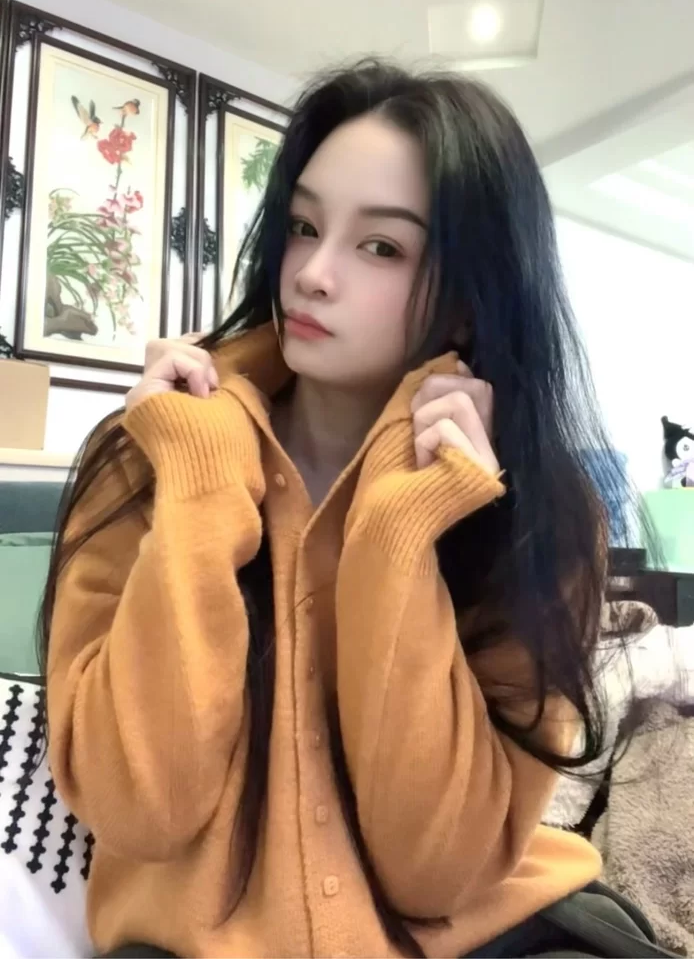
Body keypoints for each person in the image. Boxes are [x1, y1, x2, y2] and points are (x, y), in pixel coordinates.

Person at [39, 60, 666, 959]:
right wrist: (199, 491)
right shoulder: (148, 455)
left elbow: (437, 872)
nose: (313, 275)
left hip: (486, 936)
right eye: (303, 227)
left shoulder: (542, 513)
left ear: (467, 299)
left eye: (382, 247)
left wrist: (398, 537)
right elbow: (139, 805)